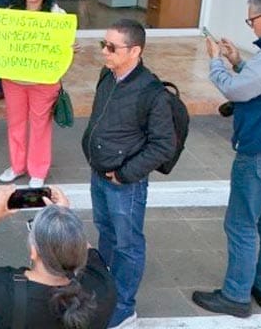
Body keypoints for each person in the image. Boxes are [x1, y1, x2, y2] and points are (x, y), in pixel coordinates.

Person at [82, 18, 175, 328]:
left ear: (135, 51)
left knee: (128, 244)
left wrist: (124, 174)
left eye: (111, 47)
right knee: (106, 234)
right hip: (100, 173)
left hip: (125, 183)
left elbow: (163, 145)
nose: (104, 52)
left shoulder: (151, 92)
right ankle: (105, 290)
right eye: (103, 44)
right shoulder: (107, 76)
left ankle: (123, 308)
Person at [192, 0, 261, 318]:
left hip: (258, 152)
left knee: (241, 224)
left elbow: (238, 90)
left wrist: (216, 63)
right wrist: (238, 61)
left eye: (252, 20)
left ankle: (236, 296)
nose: (250, 26)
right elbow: (256, 84)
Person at [0, 185, 116, 329]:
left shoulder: (5, 295)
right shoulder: (103, 290)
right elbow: (88, 252)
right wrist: (63, 219)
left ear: (34, 251)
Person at [0, 0, 68, 188]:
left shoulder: (57, 16)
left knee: (40, 125)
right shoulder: (10, 12)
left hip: (44, 81)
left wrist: (69, 47)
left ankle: (38, 169)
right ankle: (17, 165)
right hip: (14, 80)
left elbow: (63, 47)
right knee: (15, 123)